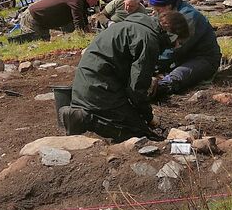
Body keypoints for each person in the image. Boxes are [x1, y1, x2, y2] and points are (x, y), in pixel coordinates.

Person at [61, 10, 191, 142]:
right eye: (179, 43)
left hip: (88, 82)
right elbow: (137, 88)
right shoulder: (148, 40)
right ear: (173, 35)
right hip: (99, 90)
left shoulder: (134, 25)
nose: (177, 47)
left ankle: (83, 112)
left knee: (134, 121)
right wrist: (148, 116)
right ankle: (82, 118)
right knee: (137, 132)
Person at [148, 0, 221, 97]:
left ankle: (156, 89)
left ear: (168, 5)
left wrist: (151, 66)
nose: (155, 12)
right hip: (179, 57)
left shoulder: (188, 18)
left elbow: (174, 50)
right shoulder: (166, 13)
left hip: (202, 58)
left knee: (177, 76)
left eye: (158, 10)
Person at [16, 0, 102, 41]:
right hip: (33, 18)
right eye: (96, 1)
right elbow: (78, 21)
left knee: (45, 42)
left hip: (41, 18)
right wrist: (85, 38)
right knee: (35, 45)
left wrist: (87, 28)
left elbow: (82, 16)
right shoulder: (75, 0)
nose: (95, 4)